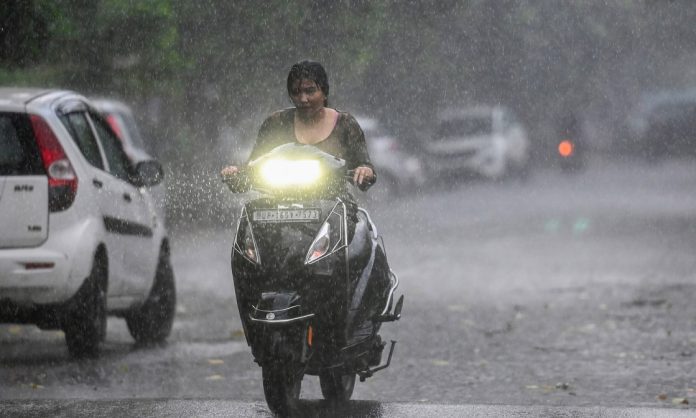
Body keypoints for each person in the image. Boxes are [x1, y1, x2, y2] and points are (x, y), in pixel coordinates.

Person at [221, 60, 376, 192]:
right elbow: (252, 170)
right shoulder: (275, 124)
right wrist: (235, 174)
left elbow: (365, 169)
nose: (303, 98)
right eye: (296, 92)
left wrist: (365, 171)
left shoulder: (345, 124)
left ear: (325, 92)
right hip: (277, 207)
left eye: (310, 91)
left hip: (334, 208)